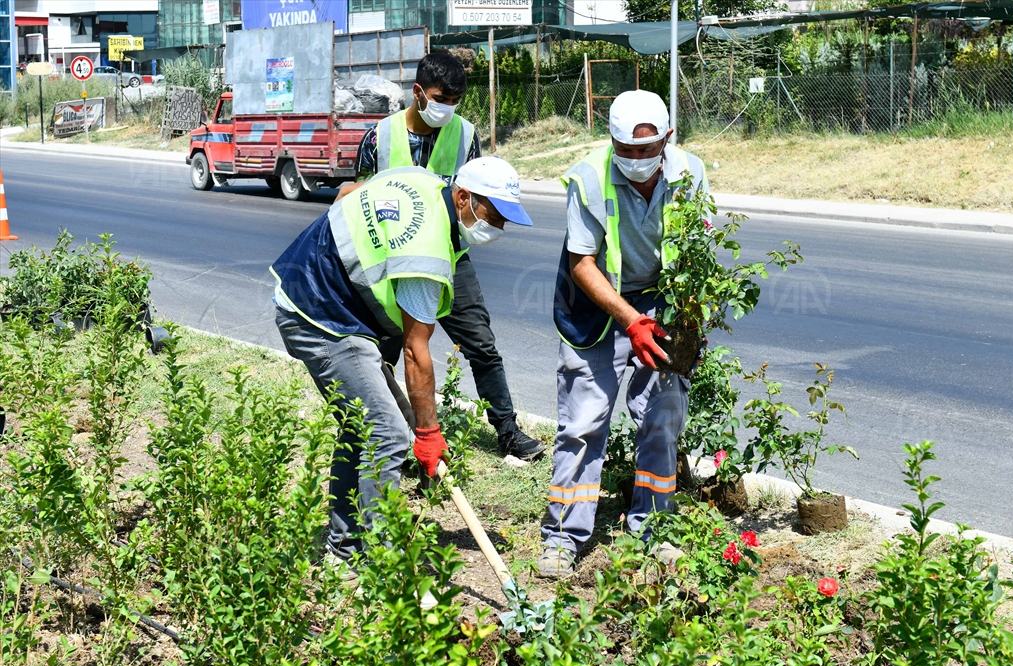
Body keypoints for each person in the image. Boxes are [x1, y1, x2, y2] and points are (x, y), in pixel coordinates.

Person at [270, 157, 534, 564]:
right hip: (320, 316)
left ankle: (343, 548)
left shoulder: (422, 182)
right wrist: (427, 433)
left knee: (363, 427)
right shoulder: (425, 253)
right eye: (493, 216)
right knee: (389, 433)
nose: (498, 229)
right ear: (463, 197)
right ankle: (384, 562)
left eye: (505, 221)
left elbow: (347, 194)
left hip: (319, 296)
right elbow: (414, 350)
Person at [536, 90, 709, 578]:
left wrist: (690, 321)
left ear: (668, 138)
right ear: (610, 140)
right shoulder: (589, 177)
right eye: (625, 150)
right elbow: (582, 263)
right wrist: (630, 320)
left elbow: (698, 251)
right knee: (585, 420)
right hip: (597, 303)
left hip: (662, 301)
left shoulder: (690, 172)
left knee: (664, 412)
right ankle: (562, 537)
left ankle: (653, 526)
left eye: (646, 149)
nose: (635, 160)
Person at [353, 52, 546, 462]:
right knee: (384, 352)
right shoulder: (379, 138)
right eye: (442, 97)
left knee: (481, 344)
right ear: (418, 92)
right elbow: (358, 200)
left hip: (448, 255)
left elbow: (473, 197)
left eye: (456, 99)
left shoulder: (464, 135)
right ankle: (389, 439)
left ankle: (509, 432)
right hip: (393, 267)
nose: (449, 107)